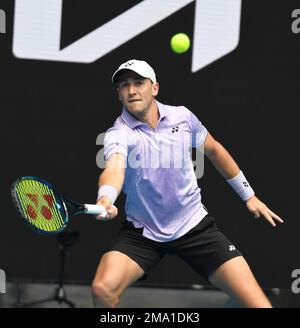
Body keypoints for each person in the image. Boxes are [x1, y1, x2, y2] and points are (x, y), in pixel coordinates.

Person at [92, 59, 283, 308]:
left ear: (155, 88)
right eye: (124, 85)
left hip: (193, 225)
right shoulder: (118, 133)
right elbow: (114, 168)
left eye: (138, 83)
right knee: (102, 289)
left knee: (259, 306)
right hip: (143, 232)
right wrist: (105, 197)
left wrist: (249, 195)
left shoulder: (182, 117)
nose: (131, 90)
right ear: (119, 94)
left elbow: (214, 150)